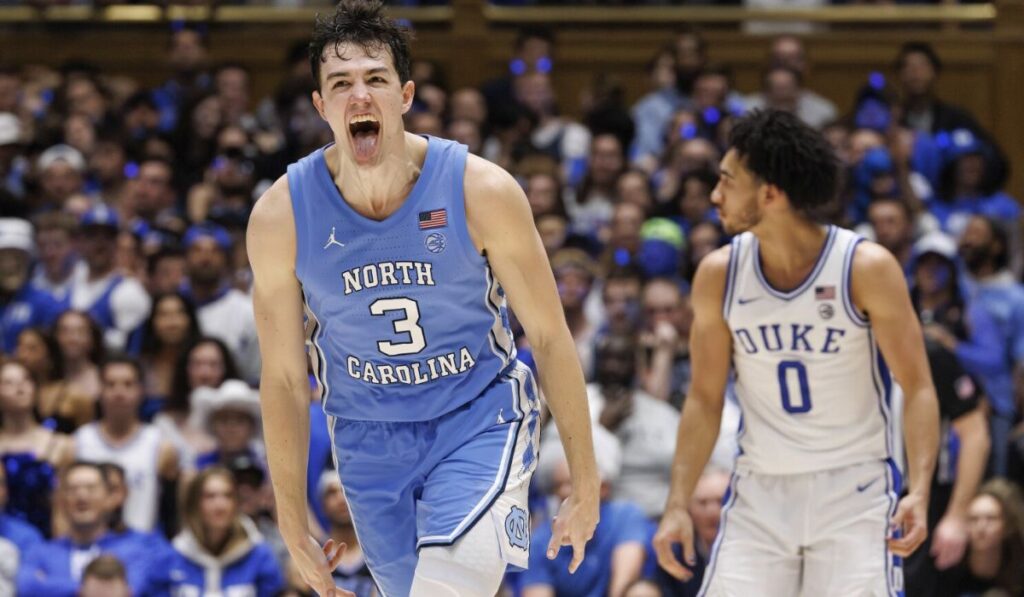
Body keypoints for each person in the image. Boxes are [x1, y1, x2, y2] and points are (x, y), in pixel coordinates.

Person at [246, 2, 600, 596]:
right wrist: (289, 515)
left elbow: (548, 336)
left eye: (375, 79)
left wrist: (584, 481)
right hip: (364, 439)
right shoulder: (280, 215)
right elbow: (283, 378)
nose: (359, 96)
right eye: (340, 84)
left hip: (477, 418)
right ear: (319, 105)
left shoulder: (480, 189)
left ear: (404, 95)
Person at [653, 109, 940, 595]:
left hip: (854, 491)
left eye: (727, 181)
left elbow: (917, 387)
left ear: (770, 194)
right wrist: (677, 501)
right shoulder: (718, 275)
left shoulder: (864, 267)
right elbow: (703, 399)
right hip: (760, 491)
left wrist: (921, 489)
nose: (715, 195)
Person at [521, 425, 647, 597]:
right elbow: (536, 592)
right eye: (558, 485)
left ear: (603, 487)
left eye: (571, 484)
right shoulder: (541, 539)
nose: (564, 492)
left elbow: (623, 586)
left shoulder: (625, 516)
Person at [16, 461, 161, 596]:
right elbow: (27, 587)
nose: (82, 496)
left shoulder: (135, 551)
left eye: (91, 488)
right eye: (72, 489)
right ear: (60, 499)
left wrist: (50, 583)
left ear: (109, 498)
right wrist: (91, 588)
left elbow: (132, 589)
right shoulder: (40, 552)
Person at [74, 356, 179, 532]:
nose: (119, 392)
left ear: (141, 391)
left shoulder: (160, 445)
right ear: (99, 390)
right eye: (111, 384)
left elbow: (171, 515)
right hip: (90, 547)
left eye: (128, 384)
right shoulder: (79, 443)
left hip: (142, 549)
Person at [150, 467, 285, 597]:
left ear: (237, 502)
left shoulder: (259, 556)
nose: (220, 505)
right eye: (210, 496)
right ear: (195, 503)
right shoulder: (171, 558)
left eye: (227, 496)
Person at [942, 479, 1024, 596]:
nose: (981, 527)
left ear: (1008, 525)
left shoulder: (1019, 570)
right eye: (974, 519)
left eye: (991, 519)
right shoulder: (946, 569)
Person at [318, 470, 376, 597]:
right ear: (322, 505)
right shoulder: (313, 555)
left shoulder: (378, 554)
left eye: (346, 491)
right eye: (332, 493)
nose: (341, 499)